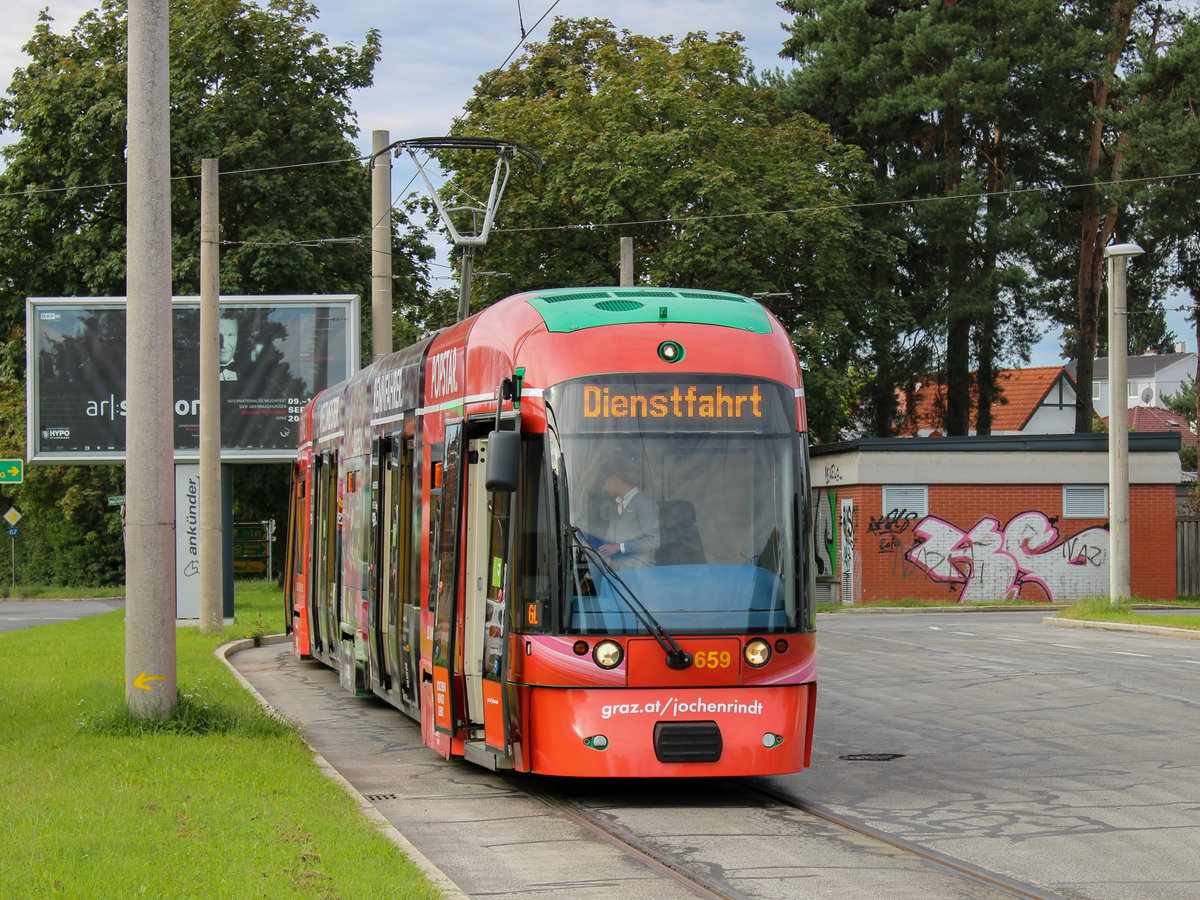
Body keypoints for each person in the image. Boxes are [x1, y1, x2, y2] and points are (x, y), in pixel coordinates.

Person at [595, 453, 659, 570]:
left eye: (604, 481)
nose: (604, 487)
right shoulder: (616, 507)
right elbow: (606, 548)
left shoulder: (644, 503)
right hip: (617, 575)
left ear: (615, 478)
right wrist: (589, 577)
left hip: (639, 575)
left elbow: (653, 541)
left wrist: (620, 547)